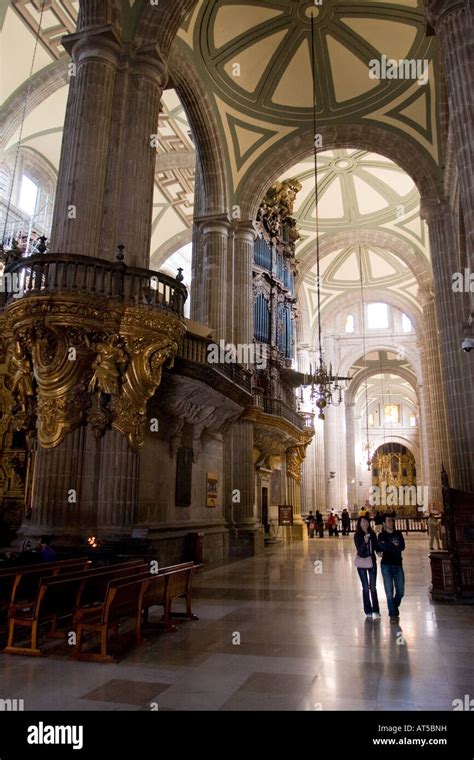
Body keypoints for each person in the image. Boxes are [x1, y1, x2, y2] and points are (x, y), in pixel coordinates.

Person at [378, 514, 405, 623]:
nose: (391, 523)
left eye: (392, 521)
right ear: (384, 523)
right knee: (389, 592)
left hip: (398, 564)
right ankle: (392, 614)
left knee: (401, 591)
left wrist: (388, 546)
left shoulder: (398, 534)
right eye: (389, 521)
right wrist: (393, 546)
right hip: (386, 565)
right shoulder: (381, 535)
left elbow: (402, 546)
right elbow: (381, 547)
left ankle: (394, 605)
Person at [353, 516, 381, 620]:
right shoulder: (357, 536)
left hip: (372, 562)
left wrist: (379, 552)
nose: (365, 523)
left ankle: (376, 610)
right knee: (365, 587)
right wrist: (364, 541)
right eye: (363, 522)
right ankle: (368, 610)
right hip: (362, 564)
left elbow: (376, 546)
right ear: (359, 524)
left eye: (367, 521)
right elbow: (360, 551)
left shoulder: (372, 534)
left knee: (373, 587)